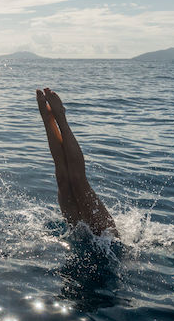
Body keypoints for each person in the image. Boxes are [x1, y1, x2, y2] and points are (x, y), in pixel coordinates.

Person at [36, 87, 118, 237]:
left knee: (76, 179)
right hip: (87, 240)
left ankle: (60, 117)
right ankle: (49, 120)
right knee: (63, 179)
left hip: (109, 241)